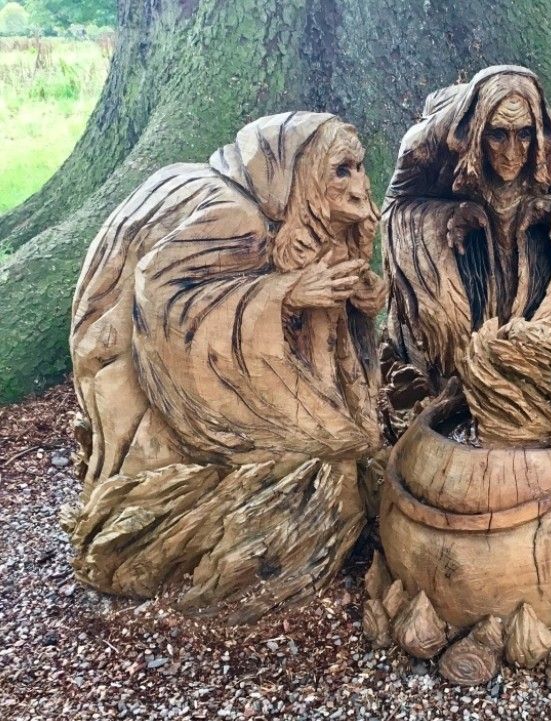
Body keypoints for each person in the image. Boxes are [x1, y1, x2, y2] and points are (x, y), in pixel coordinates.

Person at [66, 112, 386, 612]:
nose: (359, 187)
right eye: (341, 171)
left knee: (338, 444)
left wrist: (356, 297)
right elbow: (164, 302)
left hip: (173, 353)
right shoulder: (236, 216)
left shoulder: (284, 210)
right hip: (133, 364)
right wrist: (285, 293)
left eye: (360, 167)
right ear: (299, 176)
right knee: (325, 456)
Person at [382, 65, 551, 388]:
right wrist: (445, 216)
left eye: (523, 134)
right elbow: (394, 211)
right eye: (497, 134)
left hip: (529, 267)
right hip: (464, 264)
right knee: (453, 372)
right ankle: (455, 379)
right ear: (477, 130)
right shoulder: (425, 147)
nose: (511, 153)